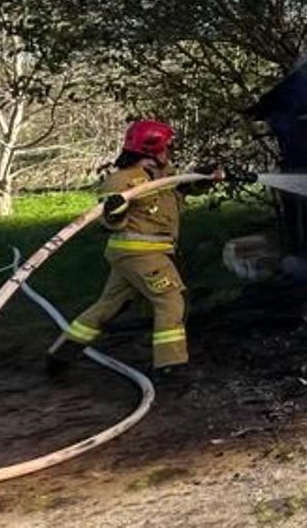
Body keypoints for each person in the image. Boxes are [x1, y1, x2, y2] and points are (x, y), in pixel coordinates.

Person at [46, 120, 222, 381]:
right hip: (141, 253)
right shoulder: (121, 181)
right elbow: (110, 220)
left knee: (109, 305)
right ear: (153, 150)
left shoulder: (162, 175)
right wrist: (115, 210)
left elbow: (183, 188)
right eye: (167, 147)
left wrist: (204, 177)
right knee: (171, 300)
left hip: (138, 254)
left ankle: (60, 355)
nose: (170, 151)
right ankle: (170, 365)